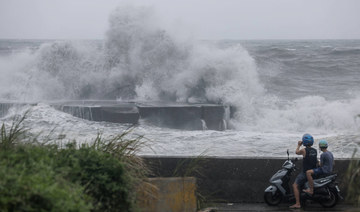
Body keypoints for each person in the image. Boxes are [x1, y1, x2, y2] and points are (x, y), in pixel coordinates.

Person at [289, 133, 317, 209]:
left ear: (304, 141)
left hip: (305, 173)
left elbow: (297, 152)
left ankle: (298, 203)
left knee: (295, 185)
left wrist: (298, 145)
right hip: (313, 171)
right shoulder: (315, 150)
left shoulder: (304, 150)